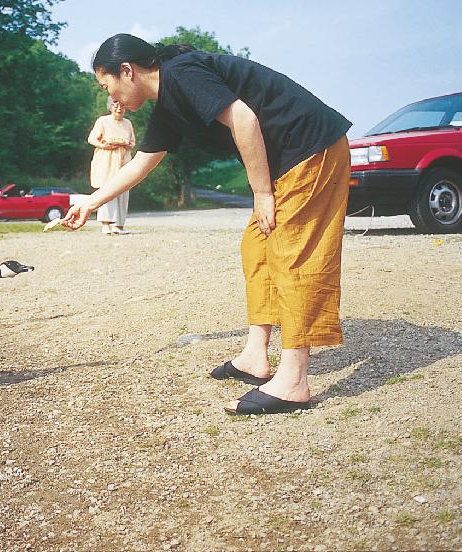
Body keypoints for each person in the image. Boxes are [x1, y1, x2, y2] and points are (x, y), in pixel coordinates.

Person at [61, 33, 352, 416]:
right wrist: (90, 202)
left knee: (292, 253)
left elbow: (244, 118)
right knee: (257, 247)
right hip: (288, 159)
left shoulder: (181, 75)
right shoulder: (168, 103)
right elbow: (142, 162)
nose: (110, 98)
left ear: (127, 71)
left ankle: (294, 380)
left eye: (108, 85)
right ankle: (255, 355)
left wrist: (262, 193)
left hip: (311, 147)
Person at [87, 97, 136, 234]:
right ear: (110, 106)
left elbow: (132, 142)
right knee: (107, 189)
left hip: (124, 160)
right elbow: (92, 139)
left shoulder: (128, 123)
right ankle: (106, 224)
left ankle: (119, 225)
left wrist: (125, 144)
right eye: (116, 105)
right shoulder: (103, 121)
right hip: (106, 160)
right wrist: (104, 145)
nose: (119, 109)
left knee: (123, 189)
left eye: (122, 106)